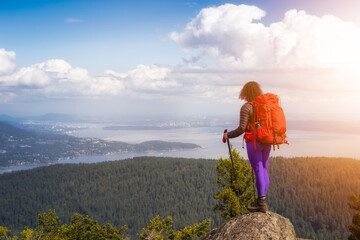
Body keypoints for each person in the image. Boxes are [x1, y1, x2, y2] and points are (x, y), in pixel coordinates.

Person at [223, 81, 271, 213]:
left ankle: (261, 203)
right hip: (267, 141)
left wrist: (228, 135)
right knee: (264, 168)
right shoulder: (265, 106)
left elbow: (241, 129)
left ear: (245, 92)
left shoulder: (246, 107)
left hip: (254, 142)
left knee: (257, 168)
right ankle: (262, 200)